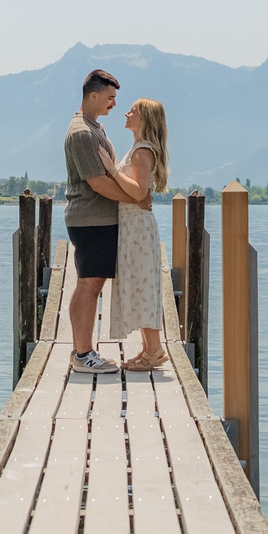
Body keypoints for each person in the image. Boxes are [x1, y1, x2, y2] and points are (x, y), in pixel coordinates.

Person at [62, 68, 130, 373]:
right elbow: (97, 183)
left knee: (90, 284)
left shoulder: (94, 128)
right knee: (89, 285)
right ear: (94, 95)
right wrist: (136, 198)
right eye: (110, 97)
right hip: (90, 219)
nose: (114, 103)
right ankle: (83, 354)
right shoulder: (82, 133)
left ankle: (81, 351)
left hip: (97, 219)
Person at [110, 97, 171, 372]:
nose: (126, 113)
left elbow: (138, 191)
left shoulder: (141, 152)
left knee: (143, 284)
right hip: (133, 225)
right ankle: (149, 349)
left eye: (132, 110)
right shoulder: (138, 149)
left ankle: (155, 349)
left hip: (137, 227)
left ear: (143, 118)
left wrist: (111, 170)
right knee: (140, 283)